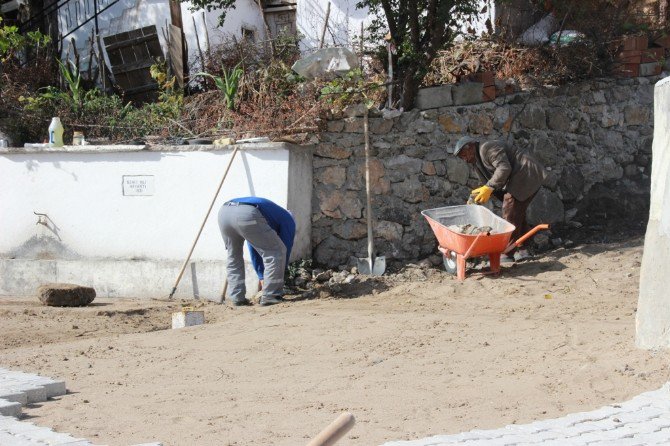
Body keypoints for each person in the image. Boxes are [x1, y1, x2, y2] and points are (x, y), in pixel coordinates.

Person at [453, 136, 546, 261]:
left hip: (527, 173)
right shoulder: (476, 161)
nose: (464, 159)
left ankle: (507, 252)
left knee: (510, 207)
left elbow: (504, 168)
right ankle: (524, 249)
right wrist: (477, 196)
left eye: (463, 155)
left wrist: (489, 187)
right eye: (461, 157)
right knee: (517, 212)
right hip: (521, 176)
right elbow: (487, 183)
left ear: (470, 146)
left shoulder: (487, 148)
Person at [218, 197, 296, 306]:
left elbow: (254, 247)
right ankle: (271, 296)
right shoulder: (288, 220)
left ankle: (237, 298)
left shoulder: (270, 214)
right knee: (277, 251)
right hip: (246, 213)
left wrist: (262, 275)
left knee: (233, 256)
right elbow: (284, 250)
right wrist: (266, 276)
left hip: (224, 213)